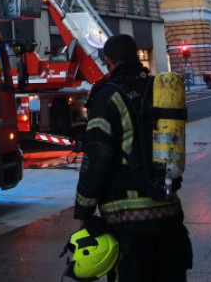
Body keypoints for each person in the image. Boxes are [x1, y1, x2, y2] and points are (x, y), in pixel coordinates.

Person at [73, 34, 192, 281]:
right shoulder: (158, 89)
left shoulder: (107, 96)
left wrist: (84, 210)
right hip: (169, 211)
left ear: (108, 60)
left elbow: (97, 157)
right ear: (137, 55)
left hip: (129, 220)